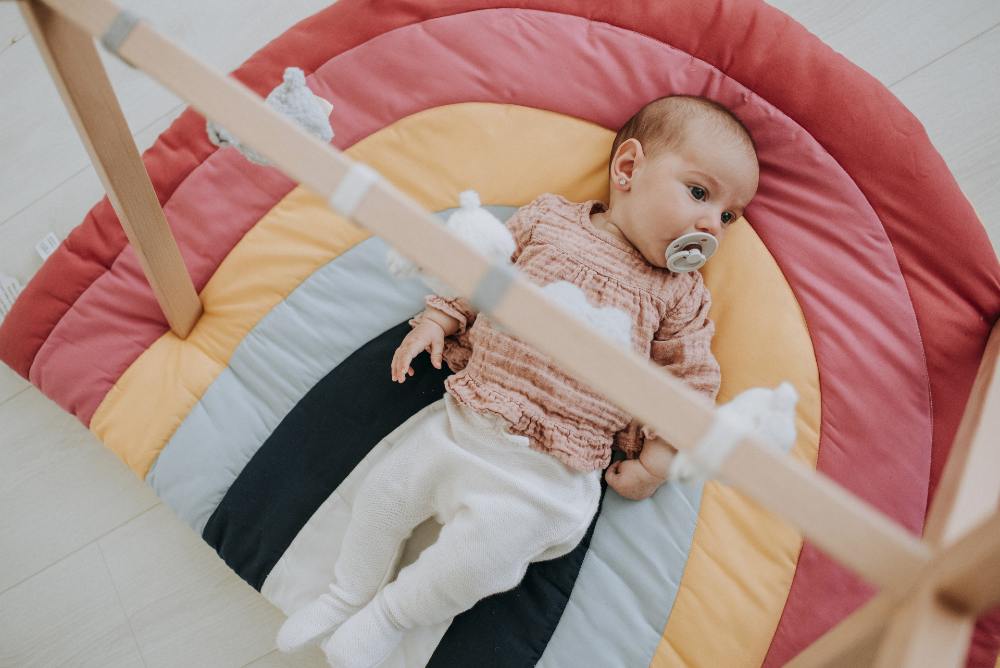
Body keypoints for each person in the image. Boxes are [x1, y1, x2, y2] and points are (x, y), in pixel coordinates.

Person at [276, 94, 760, 667]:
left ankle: (389, 617)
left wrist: (658, 461)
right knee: (383, 495)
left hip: (546, 477)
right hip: (466, 422)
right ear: (628, 170)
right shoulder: (548, 219)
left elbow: (691, 384)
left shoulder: (679, 296)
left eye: (729, 217)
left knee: (480, 561)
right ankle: (345, 593)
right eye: (700, 194)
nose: (712, 225)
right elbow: (480, 270)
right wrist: (438, 317)